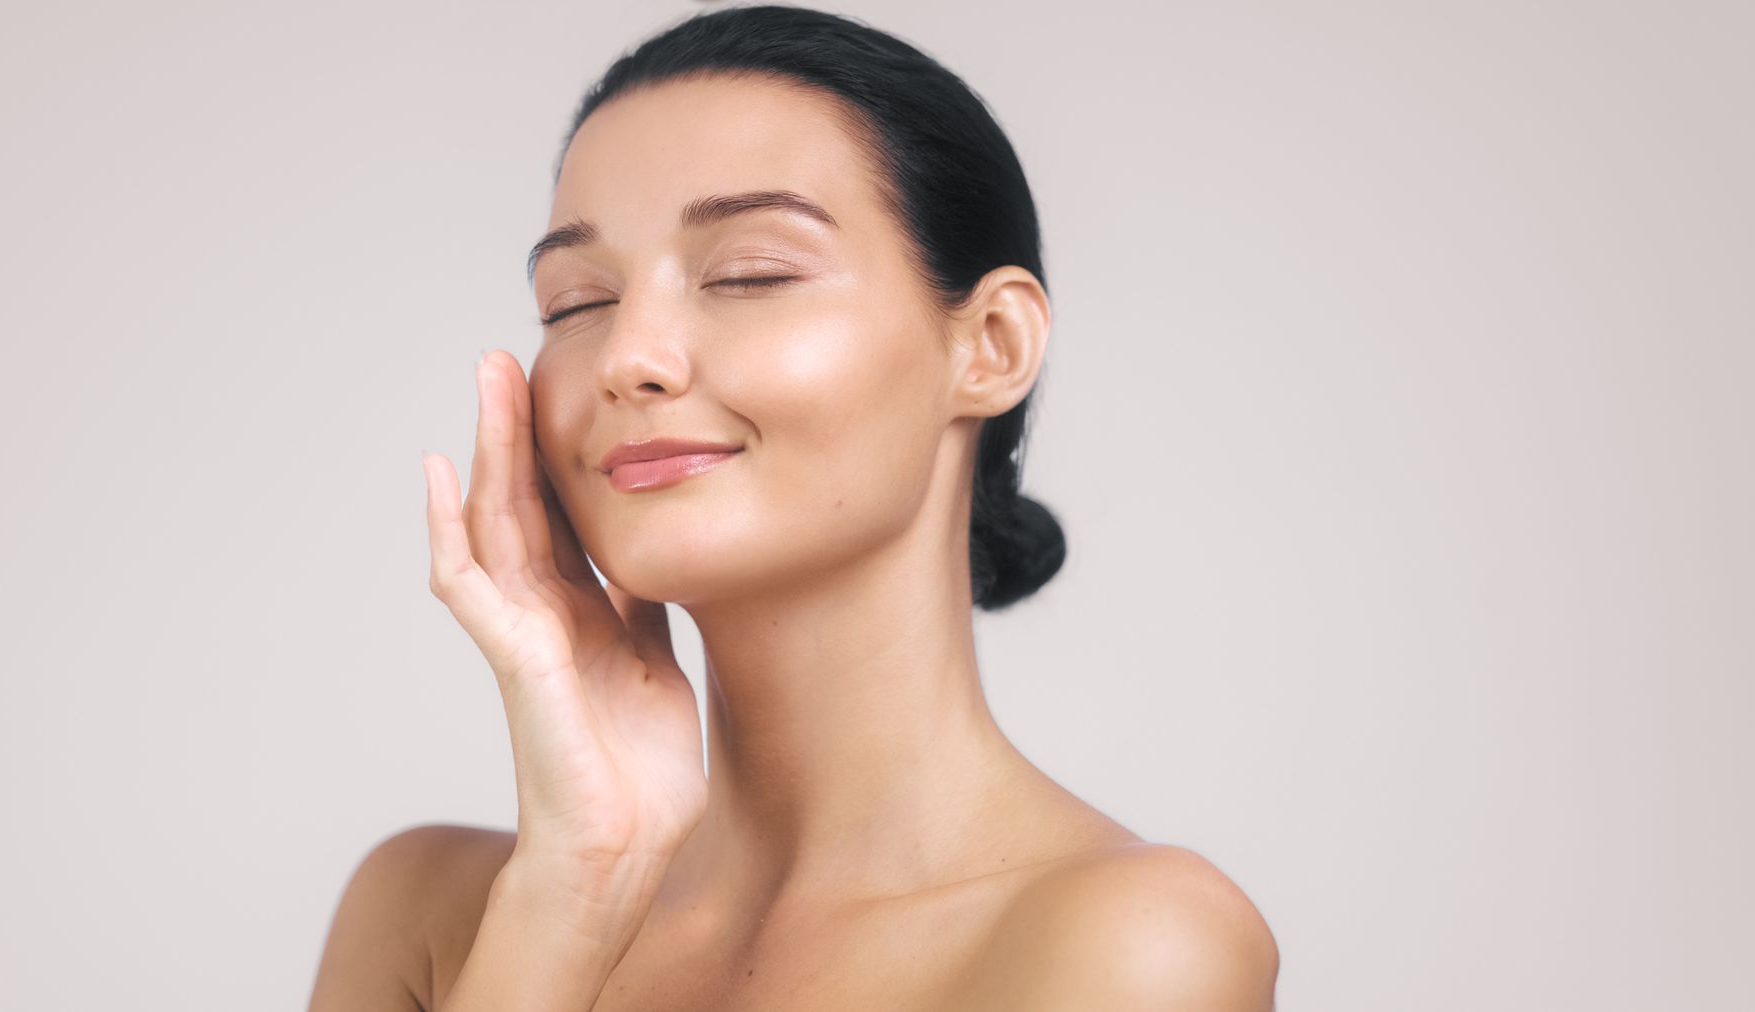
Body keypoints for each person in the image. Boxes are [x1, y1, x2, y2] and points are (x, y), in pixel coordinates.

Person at [310, 6, 1278, 1010]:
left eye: (749, 275)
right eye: (576, 304)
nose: (631, 356)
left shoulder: (1129, 939)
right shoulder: (431, 912)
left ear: (990, 344)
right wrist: (573, 890)